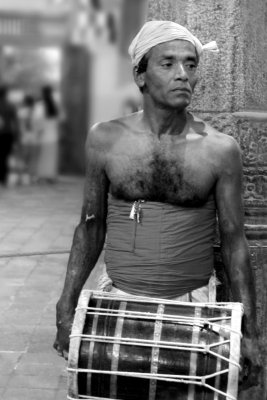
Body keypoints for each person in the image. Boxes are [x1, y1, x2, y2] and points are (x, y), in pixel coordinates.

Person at [54, 20, 261, 390]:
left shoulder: (219, 149)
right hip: (117, 301)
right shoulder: (105, 139)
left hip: (195, 308)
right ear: (141, 76)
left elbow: (234, 241)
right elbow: (91, 224)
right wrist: (66, 306)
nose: (183, 74)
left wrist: (250, 332)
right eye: (168, 64)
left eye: (191, 64)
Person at [35, 85, 59, 183]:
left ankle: (41, 176)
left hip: (43, 134)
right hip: (53, 134)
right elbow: (59, 119)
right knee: (51, 156)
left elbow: (37, 120)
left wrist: (37, 132)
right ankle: (51, 176)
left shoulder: (40, 105)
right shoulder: (55, 105)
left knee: (42, 156)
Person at [0, 85, 19, 186]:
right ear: (6, 94)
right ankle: (4, 178)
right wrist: (17, 136)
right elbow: (15, 122)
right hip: (8, 133)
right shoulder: (10, 105)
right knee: (5, 156)